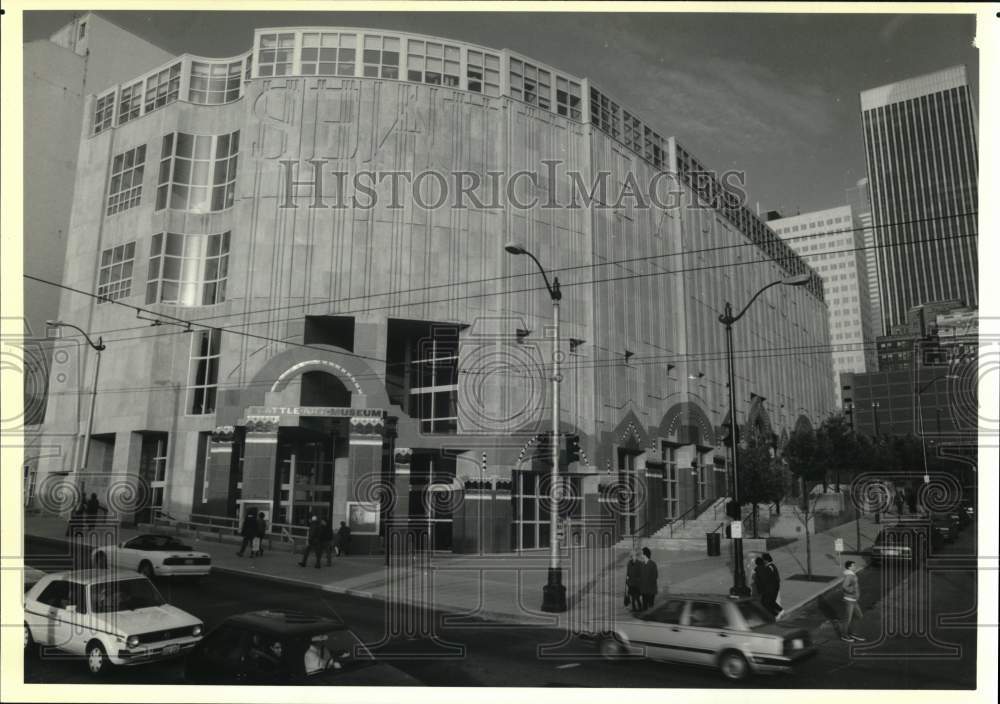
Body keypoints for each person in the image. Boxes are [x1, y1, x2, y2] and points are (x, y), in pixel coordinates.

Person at [841, 560, 866, 642]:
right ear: (849, 567)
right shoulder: (849, 575)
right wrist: (852, 591)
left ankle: (853, 633)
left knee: (859, 616)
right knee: (848, 619)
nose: (855, 567)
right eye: (853, 566)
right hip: (849, 600)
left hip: (854, 600)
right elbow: (844, 586)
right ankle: (844, 635)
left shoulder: (851, 574)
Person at [762, 552, 783, 618]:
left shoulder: (769, 567)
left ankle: (778, 612)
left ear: (766, 560)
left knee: (767, 602)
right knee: (770, 602)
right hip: (773, 588)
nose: (763, 561)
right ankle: (777, 613)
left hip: (772, 588)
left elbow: (770, 579)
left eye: (763, 559)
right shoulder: (771, 566)